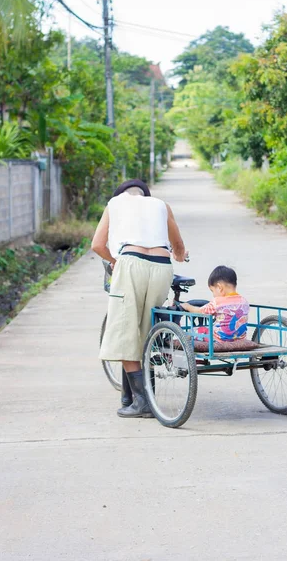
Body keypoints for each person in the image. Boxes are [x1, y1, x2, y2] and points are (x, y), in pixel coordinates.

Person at [92, 179, 188, 418]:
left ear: (122, 194)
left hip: (131, 263)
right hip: (162, 266)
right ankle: (138, 397)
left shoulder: (114, 204)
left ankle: (142, 402)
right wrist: (179, 255)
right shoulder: (161, 205)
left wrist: (115, 261)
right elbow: (178, 246)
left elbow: (97, 245)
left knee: (124, 331)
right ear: (145, 195)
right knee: (148, 330)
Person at [181, 266, 249, 342]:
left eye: (212, 290)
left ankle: (182, 347)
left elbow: (199, 311)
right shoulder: (244, 301)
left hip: (218, 339)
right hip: (240, 339)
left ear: (220, 287)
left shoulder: (217, 302)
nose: (213, 295)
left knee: (192, 331)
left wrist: (187, 306)